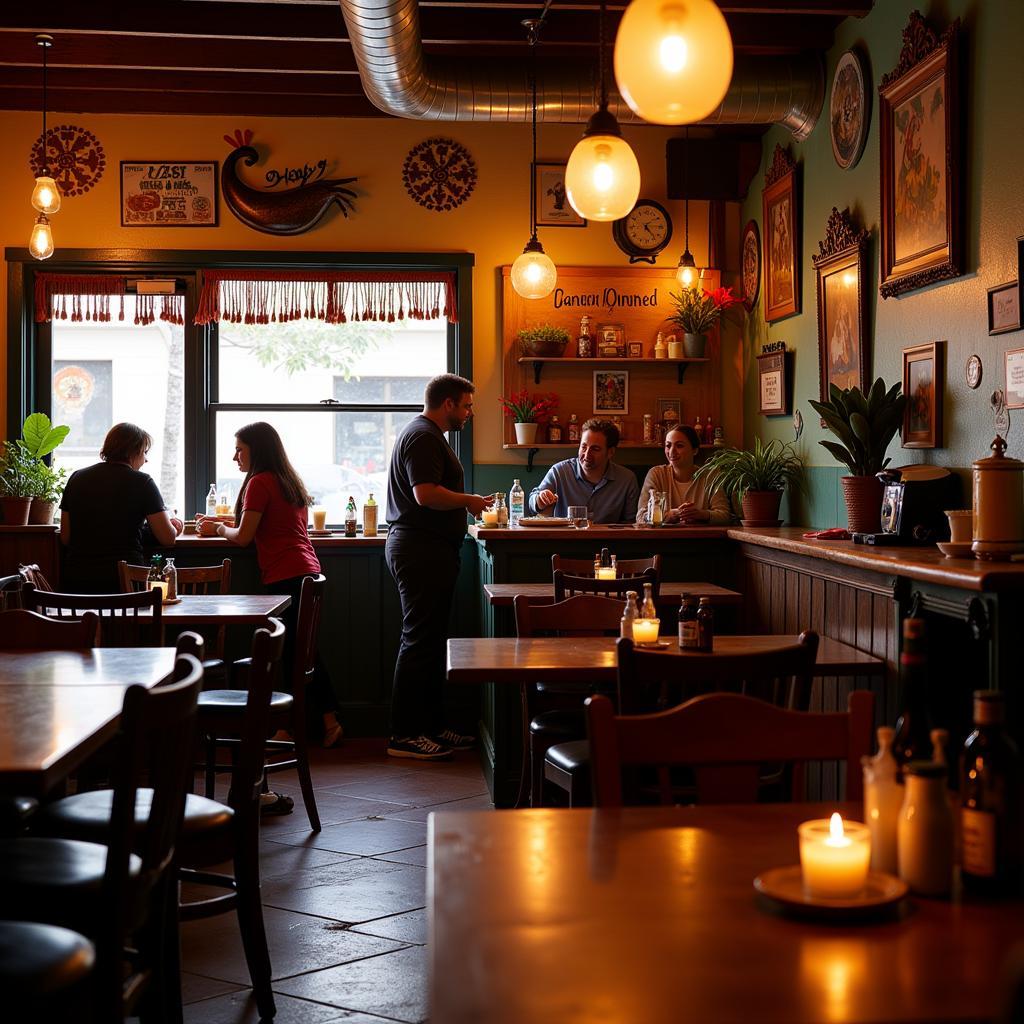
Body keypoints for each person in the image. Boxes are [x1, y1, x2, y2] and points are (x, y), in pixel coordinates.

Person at [196, 422, 343, 788]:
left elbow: (244, 536)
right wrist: (222, 523)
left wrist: (216, 530)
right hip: (308, 571)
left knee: (288, 654)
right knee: (302, 654)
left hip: (286, 575)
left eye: (239, 449)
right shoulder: (287, 480)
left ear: (256, 450)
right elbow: (258, 524)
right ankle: (327, 721)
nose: (234, 457)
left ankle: (286, 728)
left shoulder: (260, 482)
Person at [385, 373, 493, 760]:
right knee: (418, 641)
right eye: (465, 406)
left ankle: (430, 727)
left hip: (427, 548)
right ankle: (404, 735)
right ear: (448, 404)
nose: (468, 413)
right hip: (419, 548)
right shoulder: (424, 436)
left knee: (429, 642)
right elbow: (425, 494)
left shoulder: (429, 436)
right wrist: (469, 500)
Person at [59, 422, 182, 592]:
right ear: (134, 451)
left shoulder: (76, 478)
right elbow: (168, 538)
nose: (146, 459)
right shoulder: (143, 482)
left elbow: (66, 537)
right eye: (144, 452)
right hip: (126, 587)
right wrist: (175, 526)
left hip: (77, 587)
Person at [528, 418, 639, 523]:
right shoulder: (559, 472)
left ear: (610, 452)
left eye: (595, 449)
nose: (587, 454)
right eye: (584, 447)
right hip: (565, 541)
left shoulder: (627, 479)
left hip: (607, 542)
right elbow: (532, 503)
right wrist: (540, 500)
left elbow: (631, 524)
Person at [636, 425, 732, 525]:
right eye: (668, 446)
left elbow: (725, 516)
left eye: (679, 446)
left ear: (695, 450)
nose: (672, 451)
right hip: (662, 539)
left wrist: (702, 514)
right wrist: (670, 515)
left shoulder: (710, 476)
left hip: (701, 539)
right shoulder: (656, 474)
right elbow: (641, 517)